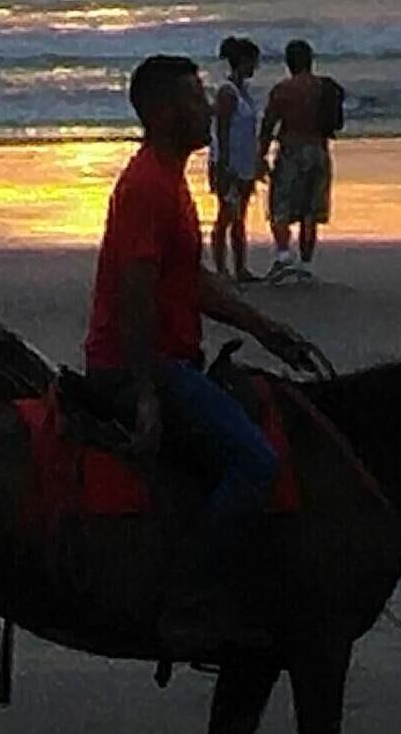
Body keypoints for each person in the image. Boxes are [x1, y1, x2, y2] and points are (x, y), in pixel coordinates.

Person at [83, 53, 320, 627]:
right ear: (164, 113)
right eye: (194, 99)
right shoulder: (145, 187)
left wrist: (266, 329)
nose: (207, 108)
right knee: (256, 462)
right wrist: (143, 393)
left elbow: (190, 281)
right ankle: (193, 590)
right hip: (139, 364)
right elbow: (136, 297)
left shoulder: (170, 180)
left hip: (168, 358)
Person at [261, 37, 340, 283]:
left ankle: (284, 255)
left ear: (288, 63)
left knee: (280, 206)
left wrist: (260, 154)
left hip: (292, 149)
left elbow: (268, 125)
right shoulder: (324, 88)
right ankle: (306, 264)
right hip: (318, 148)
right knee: (310, 210)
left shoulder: (282, 90)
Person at [208, 36, 264, 283]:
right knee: (226, 215)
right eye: (252, 61)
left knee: (240, 216)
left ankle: (241, 268)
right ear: (242, 61)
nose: (255, 67)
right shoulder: (227, 93)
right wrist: (224, 164)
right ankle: (221, 268)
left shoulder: (245, 92)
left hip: (244, 164)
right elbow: (221, 130)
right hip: (228, 163)